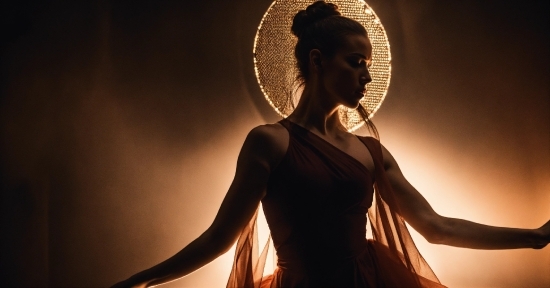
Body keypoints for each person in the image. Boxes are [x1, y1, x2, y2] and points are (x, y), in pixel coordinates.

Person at [112, 1, 550, 287]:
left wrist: (535, 238)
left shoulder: (370, 151)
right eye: (356, 62)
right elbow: (218, 240)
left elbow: (438, 227)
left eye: (370, 65)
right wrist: (141, 281)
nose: (366, 75)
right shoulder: (268, 143)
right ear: (318, 61)